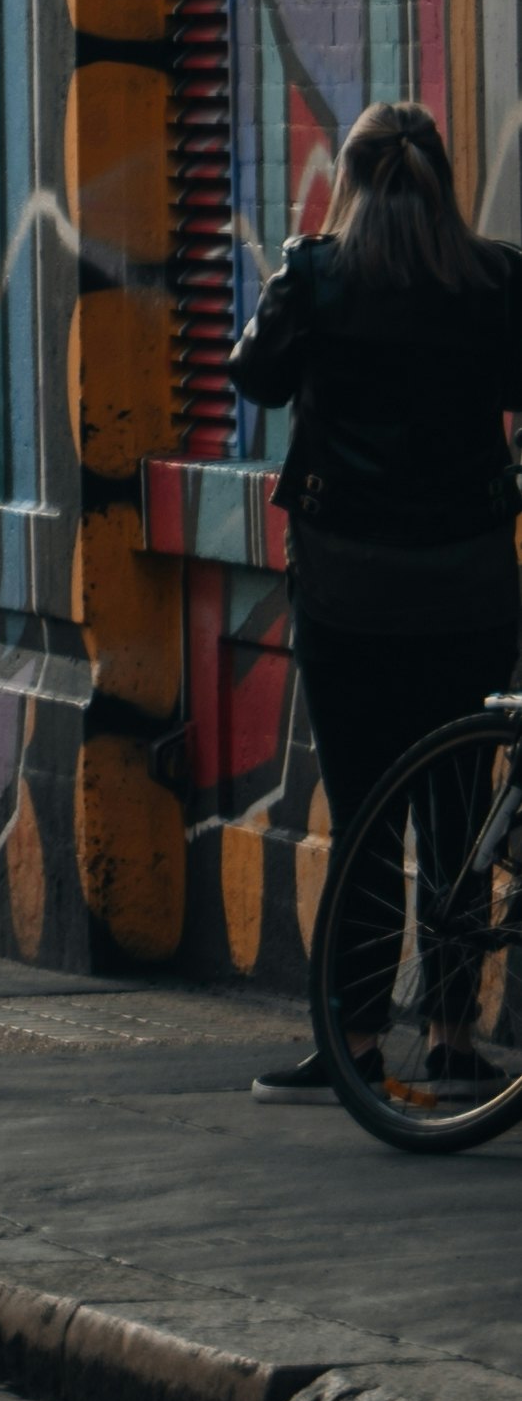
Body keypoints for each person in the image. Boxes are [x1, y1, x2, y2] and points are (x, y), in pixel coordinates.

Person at [231, 99, 522, 1098]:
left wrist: (284, 283)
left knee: (364, 814)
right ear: (440, 178)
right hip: (470, 586)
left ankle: (353, 1043)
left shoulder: (316, 276)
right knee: (456, 809)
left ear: (351, 183)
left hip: (350, 587)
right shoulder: (494, 280)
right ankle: (449, 1034)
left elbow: (253, 377)